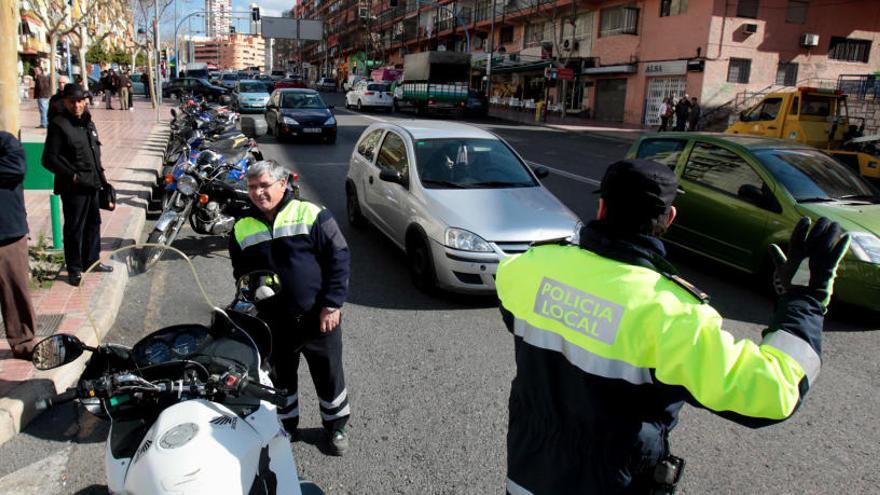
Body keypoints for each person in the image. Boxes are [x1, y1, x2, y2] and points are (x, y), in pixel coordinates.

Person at [495, 159, 850, 495]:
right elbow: (772, 394)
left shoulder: (531, 267)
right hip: (613, 481)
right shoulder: (673, 313)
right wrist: (805, 300)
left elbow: (521, 318)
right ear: (670, 219)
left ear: (602, 207)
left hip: (528, 471)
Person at [229, 159, 352, 456]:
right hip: (273, 322)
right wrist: (250, 296)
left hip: (317, 317)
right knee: (281, 379)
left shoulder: (311, 213)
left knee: (328, 375)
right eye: (252, 187)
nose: (258, 192)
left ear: (282, 184)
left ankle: (336, 426)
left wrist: (332, 305)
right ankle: (286, 425)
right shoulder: (241, 227)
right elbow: (240, 272)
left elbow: (339, 258)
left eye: (264, 186)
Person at [42, 84, 115, 286]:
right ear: (65, 102)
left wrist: (103, 180)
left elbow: (94, 153)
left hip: (92, 182)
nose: (77, 105)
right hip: (73, 187)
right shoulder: (59, 124)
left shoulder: (87, 123)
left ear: (85, 101)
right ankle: (74, 269)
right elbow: (49, 159)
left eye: (80, 101)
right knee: (75, 228)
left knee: (94, 223)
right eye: (72, 102)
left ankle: (91, 261)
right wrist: (72, 176)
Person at [0, 131, 38, 360]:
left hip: (7, 233)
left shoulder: (6, 141)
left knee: (15, 292)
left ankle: (23, 341)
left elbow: (15, 169)